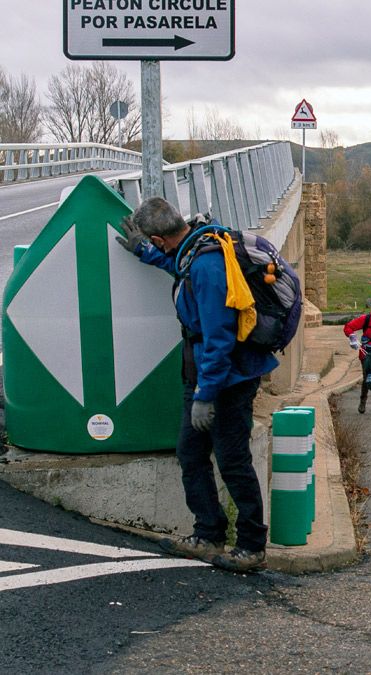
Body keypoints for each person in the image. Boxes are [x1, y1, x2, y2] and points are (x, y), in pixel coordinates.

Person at [115, 198, 274, 573]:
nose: (156, 248)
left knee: (233, 461)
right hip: (205, 377)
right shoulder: (195, 251)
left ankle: (251, 546)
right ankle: (209, 533)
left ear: (159, 235)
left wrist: (206, 395)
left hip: (226, 381)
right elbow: (177, 267)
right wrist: (146, 254)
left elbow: (219, 339)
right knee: (190, 453)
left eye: (152, 243)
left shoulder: (206, 265)